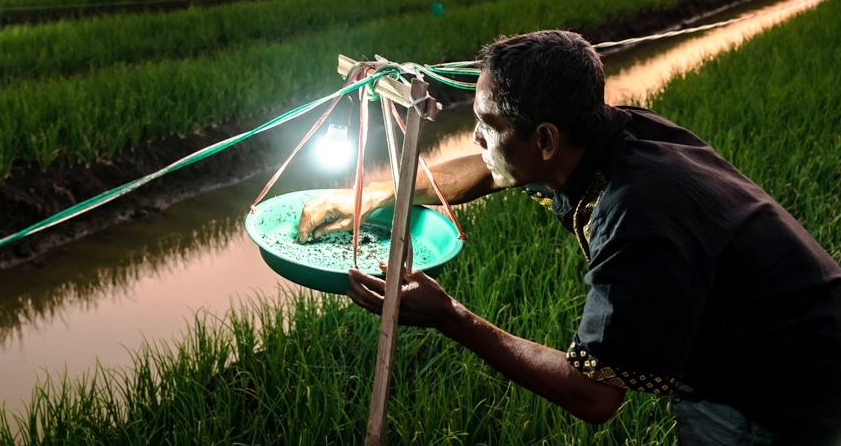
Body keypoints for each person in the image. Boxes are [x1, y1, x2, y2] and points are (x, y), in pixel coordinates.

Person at [296, 30, 841, 445]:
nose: (475, 134)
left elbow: (595, 394)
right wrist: (374, 195)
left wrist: (450, 317)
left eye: (487, 121)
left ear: (547, 138)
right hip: (754, 352)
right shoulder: (612, 132)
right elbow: (490, 167)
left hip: (784, 391)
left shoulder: (636, 211)